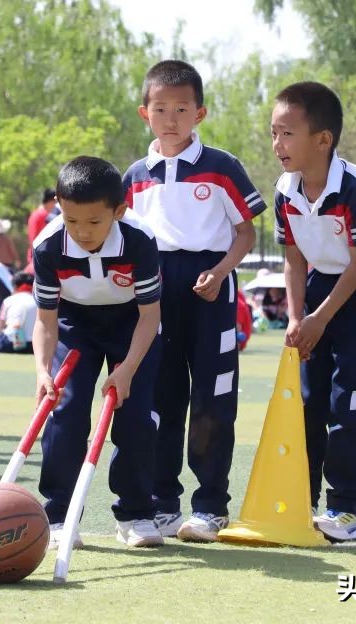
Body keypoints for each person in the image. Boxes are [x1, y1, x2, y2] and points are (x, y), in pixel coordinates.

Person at [122, 60, 265, 542]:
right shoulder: (135, 176)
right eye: (160, 108)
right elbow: (125, 240)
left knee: (212, 398)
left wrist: (221, 271)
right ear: (145, 112)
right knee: (161, 398)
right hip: (155, 292)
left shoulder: (222, 167)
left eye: (181, 109)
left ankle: (210, 505)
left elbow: (246, 232)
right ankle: (163, 502)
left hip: (211, 287)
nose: (171, 118)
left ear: (199, 113)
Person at [273, 81, 356, 541]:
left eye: (288, 133)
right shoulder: (285, 190)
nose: (277, 144)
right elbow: (293, 257)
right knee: (309, 403)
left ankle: (345, 509)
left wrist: (319, 319)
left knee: (352, 406)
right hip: (318, 291)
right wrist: (295, 317)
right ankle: (302, 503)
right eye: (273, 133)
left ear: (323, 139)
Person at [34, 156, 164, 548]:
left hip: (132, 323)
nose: (82, 232)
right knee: (66, 411)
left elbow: (150, 317)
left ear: (119, 211)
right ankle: (59, 516)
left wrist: (127, 369)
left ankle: (135, 514)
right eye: (71, 220)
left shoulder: (140, 240)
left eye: (94, 222)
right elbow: (46, 320)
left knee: (136, 418)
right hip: (75, 324)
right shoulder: (48, 245)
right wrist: (42, 371)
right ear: (58, 206)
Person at [0, 272, 36, 353]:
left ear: (15, 286)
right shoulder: (38, 302)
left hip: (11, 343)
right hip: (33, 345)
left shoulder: (8, 301)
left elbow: (1, 325)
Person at [26, 187, 56, 267]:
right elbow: (34, 238)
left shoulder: (37, 214)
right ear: (51, 201)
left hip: (38, 256)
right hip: (40, 257)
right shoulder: (42, 215)